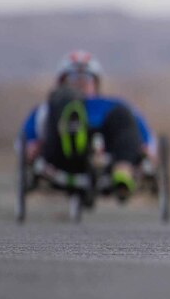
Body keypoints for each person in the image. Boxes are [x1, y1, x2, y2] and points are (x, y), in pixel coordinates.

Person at [19, 50, 154, 200]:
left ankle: (122, 173)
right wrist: (30, 147)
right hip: (62, 155)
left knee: (122, 113)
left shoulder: (113, 104)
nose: (80, 82)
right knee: (64, 104)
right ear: (62, 81)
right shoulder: (47, 109)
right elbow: (26, 136)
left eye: (86, 77)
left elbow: (139, 130)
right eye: (73, 77)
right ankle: (74, 134)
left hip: (108, 151)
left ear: (95, 82)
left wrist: (148, 147)